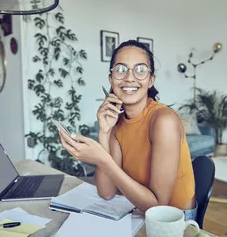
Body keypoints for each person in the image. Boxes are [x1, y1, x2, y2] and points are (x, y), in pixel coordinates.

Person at [59, 40, 197, 220]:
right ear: (111, 79)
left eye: (140, 70)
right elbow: (106, 192)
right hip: (136, 209)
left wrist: (102, 159)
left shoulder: (164, 121)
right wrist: (104, 132)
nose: (129, 78)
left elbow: (158, 206)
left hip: (175, 218)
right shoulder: (118, 123)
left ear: (151, 80)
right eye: (121, 70)